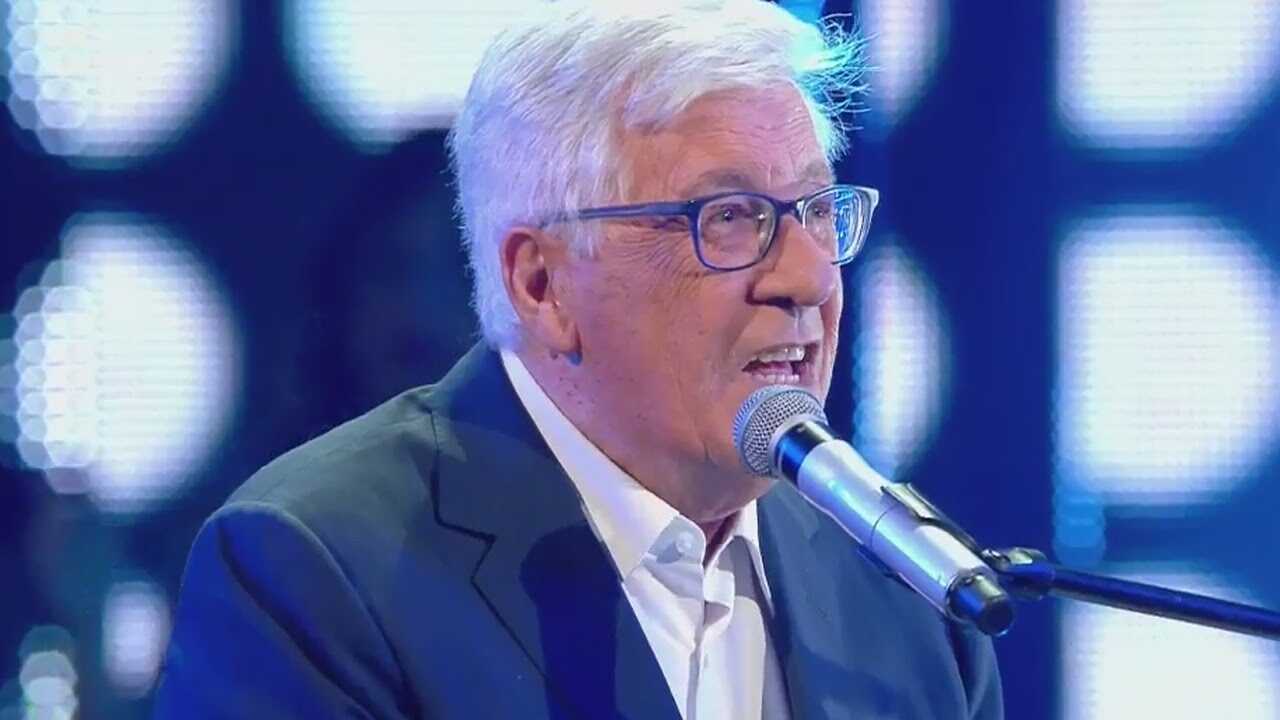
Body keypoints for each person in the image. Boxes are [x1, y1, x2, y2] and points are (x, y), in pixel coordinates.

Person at [154, 2, 1003, 718]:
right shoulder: (316, 569)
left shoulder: (912, 593)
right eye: (730, 217)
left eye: (816, 211)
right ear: (543, 284)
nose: (810, 278)